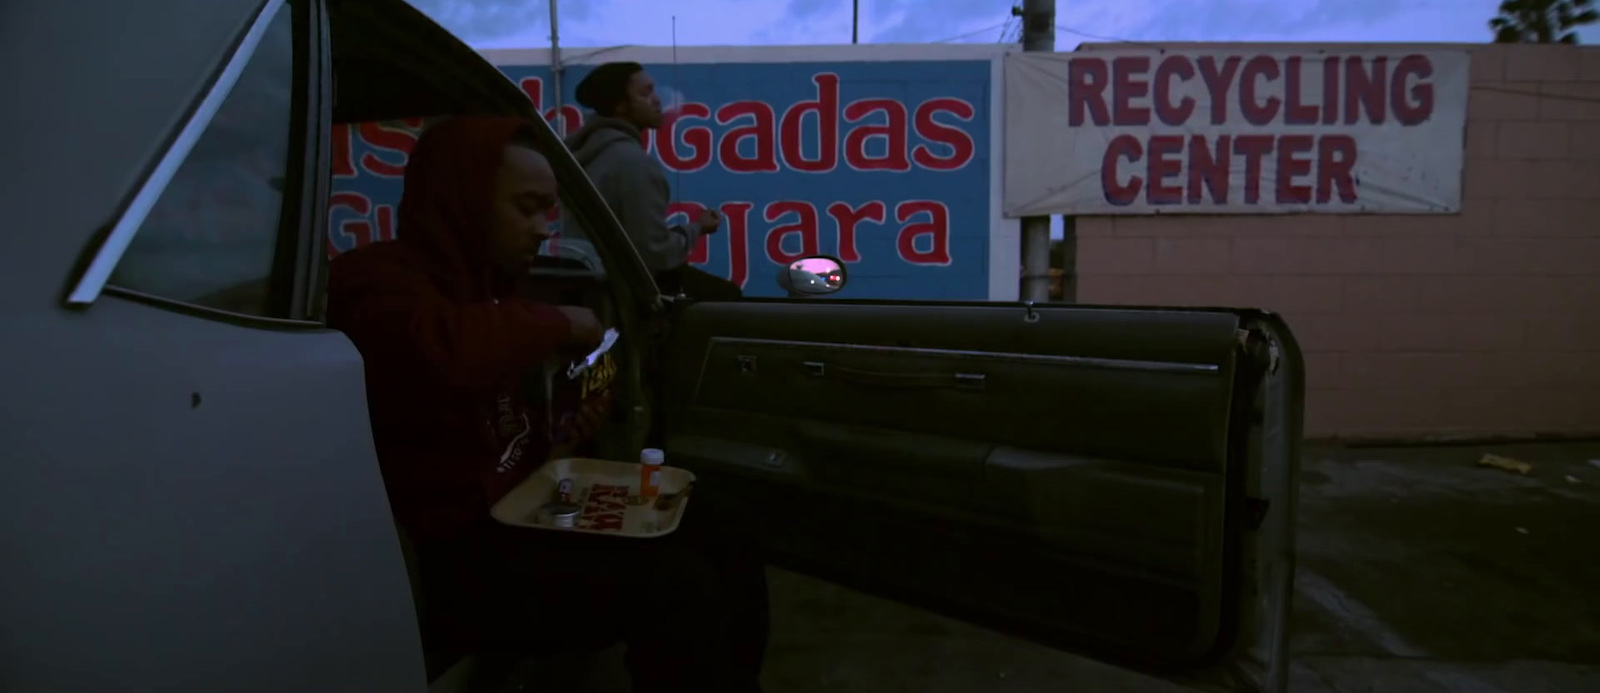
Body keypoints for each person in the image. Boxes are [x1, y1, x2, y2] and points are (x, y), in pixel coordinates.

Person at [326, 115, 768, 693]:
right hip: (452, 554)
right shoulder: (375, 282)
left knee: (719, 519)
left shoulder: (490, 288)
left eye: (548, 210)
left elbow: (502, 432)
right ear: (462, 201)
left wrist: (558, 432)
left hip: (528, 509)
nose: (542, 229)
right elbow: (442, 350)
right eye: (526, 207)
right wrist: (562, 321)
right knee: (673, 584)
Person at [566, 61, 745, 301]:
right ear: (620, 106)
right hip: (624, 294)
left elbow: (635, 239)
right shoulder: (632, 162)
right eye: (645, 93)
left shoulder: (587, 153)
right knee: (727, 298)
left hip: (592, 287)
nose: (657, 100)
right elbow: (655, 254)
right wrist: (698, 228)